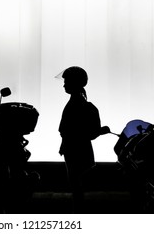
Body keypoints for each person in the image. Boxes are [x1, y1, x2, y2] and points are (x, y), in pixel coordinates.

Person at [58, 66, 101, 213]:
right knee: (77, 187)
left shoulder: (77, 104)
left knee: (77, 187)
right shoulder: (83, 103)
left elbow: (70, 129)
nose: (64, 85)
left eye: (66, 81)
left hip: (76, 150)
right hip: (78, 149)